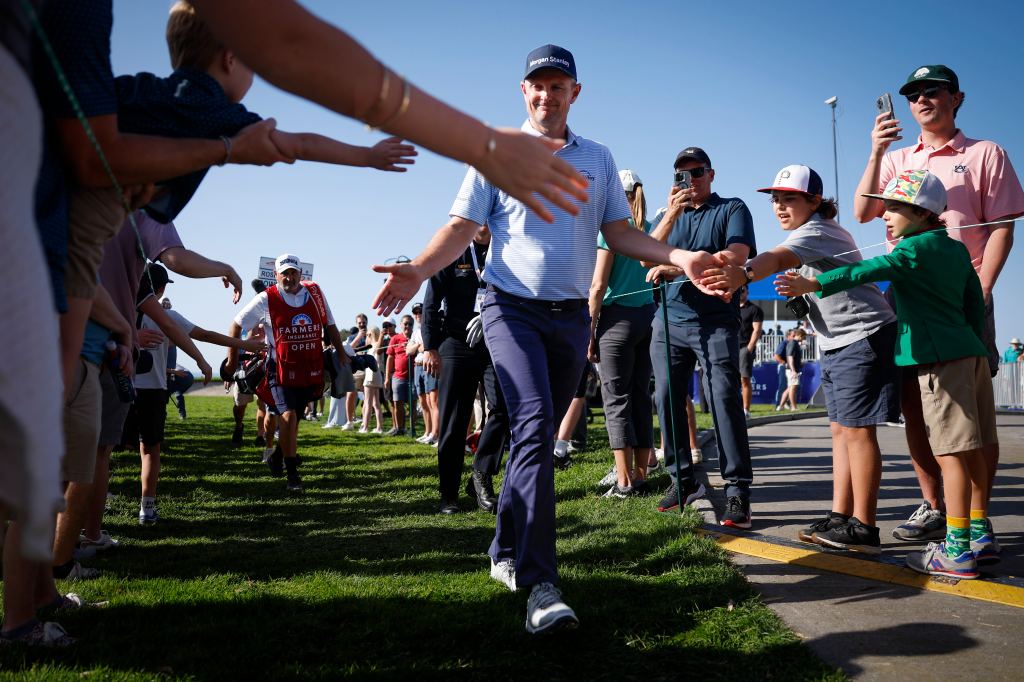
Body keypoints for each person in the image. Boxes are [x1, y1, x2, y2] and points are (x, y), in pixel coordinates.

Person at [371, 44, 716, 634]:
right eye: (537, 85)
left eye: (558, 86)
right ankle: (540, 583)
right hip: (509, 309)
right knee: (534, 427)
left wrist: (679, 255)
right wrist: (420, 269)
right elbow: (462, 227)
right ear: (523, 91)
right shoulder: (494, 151)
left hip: (568, 318)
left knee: (532, 437)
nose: (546, 94)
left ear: (574, 94)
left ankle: (503, 549)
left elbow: (617, 232)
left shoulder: (598, 158)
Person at [780, 169, 996, 577]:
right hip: (971, 354)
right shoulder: (954, 250)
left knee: (948, 454)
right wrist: (974, 344)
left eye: (894, 207)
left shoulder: (911, 250)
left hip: (937, 361)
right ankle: (981, 533)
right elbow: (973, 302)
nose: (884, 215)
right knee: (974, 447)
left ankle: (957, 549)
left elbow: (868, 270)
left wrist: (815, 285)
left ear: (922, 211)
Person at [853, 64, 1024, 543]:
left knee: (972, 410)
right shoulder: (899, 157)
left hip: (961, 295)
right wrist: (877, 149)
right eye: (913, 93)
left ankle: (976, 516)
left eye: (933, 90)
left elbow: (1002, 227)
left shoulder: (986, 152)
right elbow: (864, 212)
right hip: (905, 295)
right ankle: (934, 505)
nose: (922, 99)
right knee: (915, 405)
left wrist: (982, 289)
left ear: (957, 98)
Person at [702, 164, 899, 554]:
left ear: (815, 201)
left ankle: (865, 527)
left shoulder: (816, 231)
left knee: (858, 434)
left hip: (862, 337)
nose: (779, 206)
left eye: (788, 198)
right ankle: (842, 517)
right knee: (842, 432)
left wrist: (741, 275)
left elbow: (773, 259)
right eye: (775, 200)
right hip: (838, 341)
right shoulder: (811, 233)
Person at [646, 146, 757, 528]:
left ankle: (737, 490)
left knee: (724, 399)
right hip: (669, 319)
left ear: (712, 174)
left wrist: (676, 267)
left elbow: (736, 256)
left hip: (715, 319)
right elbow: (647, 256)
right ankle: (683, 482)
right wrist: (672, 213)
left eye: (697, 172)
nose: (690, 180)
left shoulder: (732, 208)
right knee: (666, 398)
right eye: (682, 174)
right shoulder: (668, 216)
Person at [130, 264, 263, 524]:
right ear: (160, 287)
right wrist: (244, 345)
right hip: (153, 391)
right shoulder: (165, 316)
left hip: (119, 387)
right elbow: (205, 335)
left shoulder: (120, 312)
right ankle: (147, 508)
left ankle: (94, 512)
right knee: (150, 450)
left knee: (103, 451)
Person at [227, 253, 346, 492]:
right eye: (285, 273)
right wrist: (232, 361)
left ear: (300, 274)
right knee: (289, 417)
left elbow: (330, 324)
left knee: (295, 418)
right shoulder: (266, 299)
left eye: (293, 273)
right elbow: (237, 324)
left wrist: (341, 353)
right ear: (276, 276)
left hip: (310, 369)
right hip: (279, 369)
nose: (289, 277)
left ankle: (277, 457)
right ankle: (293, 475)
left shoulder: (314, 293)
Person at [421, 225, 509, 513]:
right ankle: (448, 494)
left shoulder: (507, 250)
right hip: (456, 343)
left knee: (504, 409)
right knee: (454, 420)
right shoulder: (453, 252)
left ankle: (481, 474)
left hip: (495, 339)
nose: (483, 224)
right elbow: (431, 302)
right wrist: (430, 347)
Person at [587, 169, 657, 497]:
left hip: (616, 320)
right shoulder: (651, 229)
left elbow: (599, 285)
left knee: (616, 399)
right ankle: (640, 475)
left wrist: (588, 332)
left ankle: (624, 481)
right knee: (641, 397)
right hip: (648, 317)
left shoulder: (611, 232)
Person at [407, 303, 439, 444]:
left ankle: (435, 433)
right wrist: (418, 346)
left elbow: (427, 346)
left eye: (420, 312)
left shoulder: (431, 327)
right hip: (418, 366)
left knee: (433, 402)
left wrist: (418, 347)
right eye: (416, 313)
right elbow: (409, 351)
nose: (418, 315)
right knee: (423, 402)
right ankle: (428, 431)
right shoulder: (415, 332)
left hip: (428, 365)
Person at [385, 315, 414, 436]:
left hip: (413, 377)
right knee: (397, 403)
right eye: (405, 323)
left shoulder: (416, 336)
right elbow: (390, 358)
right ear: (401, 325)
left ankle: (412, 428)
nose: (407, 326)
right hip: (398, 376)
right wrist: (387, 377)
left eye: (410, 324)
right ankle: (399, 428)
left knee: (413, 403)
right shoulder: (395, 339)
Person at [737, 286, 763, 419]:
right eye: (739, 289)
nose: (741, 292)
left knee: (744, 379)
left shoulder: (754, 309)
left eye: (743, 290)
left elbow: (757, 330)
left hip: (744, 348)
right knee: (729, 380)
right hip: (729, 348)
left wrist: (749, 348)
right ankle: (734, 408)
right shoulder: (730, 307)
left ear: (747, 292)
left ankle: (746, 410)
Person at [361, 327, 385, 433]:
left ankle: (365, 427)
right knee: (376, 403)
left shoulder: (374, 346)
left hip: (371, 376)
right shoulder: (372, 347)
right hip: (377, 376)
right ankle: (379, 427)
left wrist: (381, 336)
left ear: (373, 335)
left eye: (369, 335)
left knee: (368, 402)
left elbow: (378, 348)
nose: (367, 337)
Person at [778, 328, 805, 411]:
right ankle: (793, 407)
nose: (804, 339)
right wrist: (793, 370)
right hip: (791, 370)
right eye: (803, 337)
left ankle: (781, 406)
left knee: (789, 388)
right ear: (800, 335)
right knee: (793, 387)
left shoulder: (795, 343)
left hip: (792, 369)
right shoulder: (793, 343)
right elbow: (790, 357)